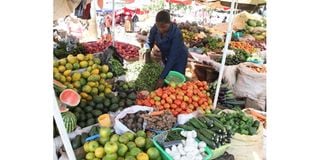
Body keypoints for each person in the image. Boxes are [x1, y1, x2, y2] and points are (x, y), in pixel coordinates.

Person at [143, 10, 188, 89]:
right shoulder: (155, 28)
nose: (161, 29)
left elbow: (172, 58)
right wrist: (146, 51)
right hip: (166, 54)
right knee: (166, 73)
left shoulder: (176, 34)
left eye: (164, 27)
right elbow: (149, 41)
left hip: (179, 56)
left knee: (175, 82)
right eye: (159, 26)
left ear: (169, 23)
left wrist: (161, 78)